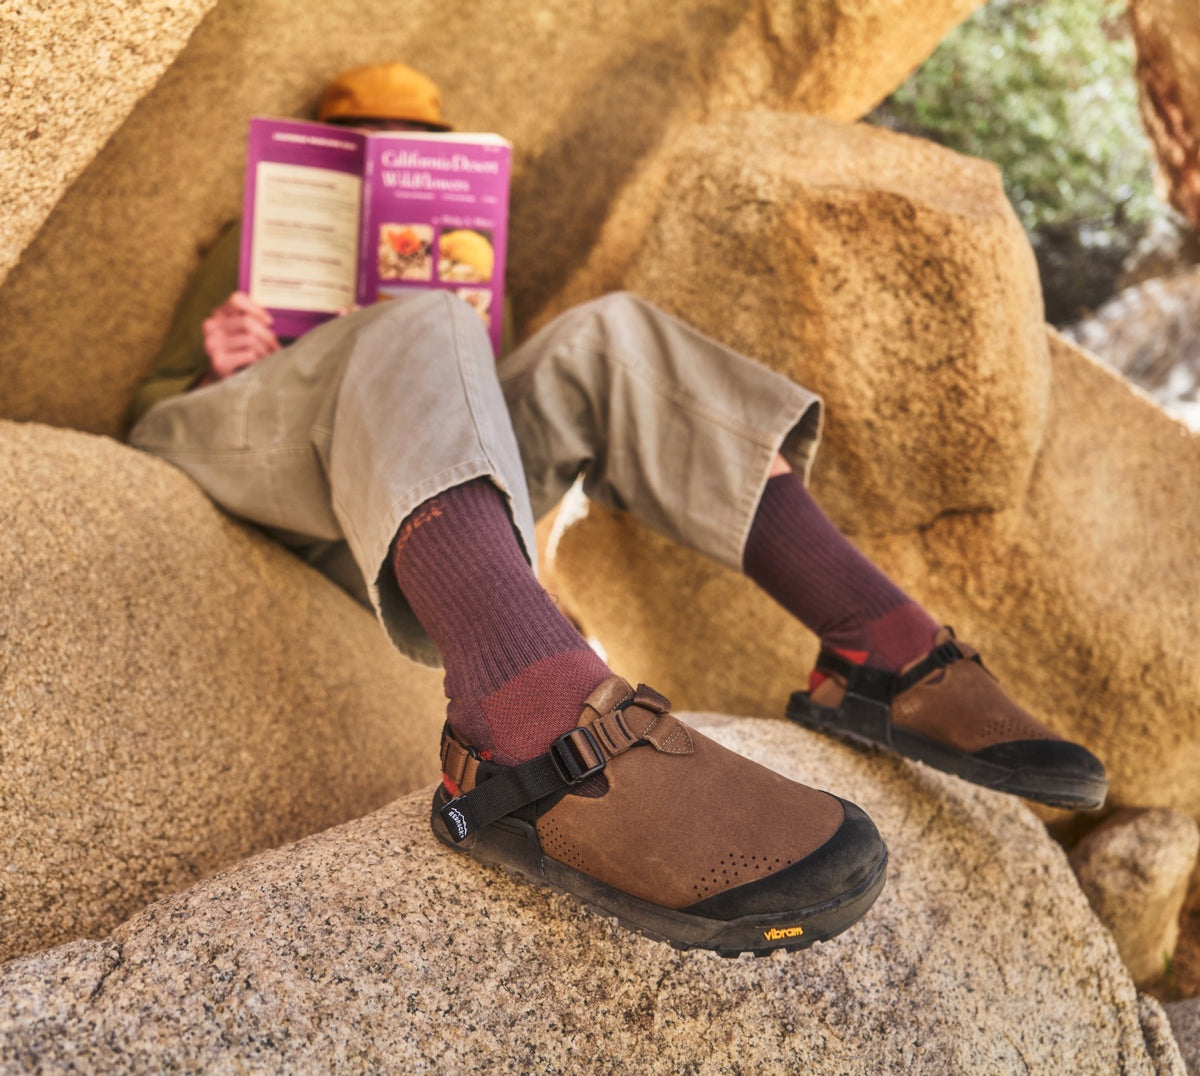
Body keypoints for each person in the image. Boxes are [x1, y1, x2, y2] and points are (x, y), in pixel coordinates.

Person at [127, 62, 1107, 956]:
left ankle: (874, 644)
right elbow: (143, 419)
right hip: (257, 460)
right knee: (417, 326)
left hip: (400, 521)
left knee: (605, 336)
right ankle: (525, 733)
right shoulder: (246, 246)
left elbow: (477, 434)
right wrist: (219, 359)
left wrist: (469, 343)